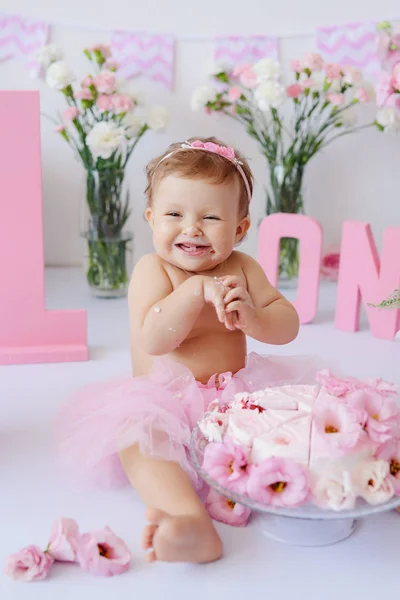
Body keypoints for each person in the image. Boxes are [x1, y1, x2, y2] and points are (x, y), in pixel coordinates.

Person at [58, 137, 318, 564]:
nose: (191, 228)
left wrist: (253, 316)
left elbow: (286, 324)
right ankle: (188, 520)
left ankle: (332, 482)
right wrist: (193, 291)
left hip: (238, 399)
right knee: (137, 439)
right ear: (151, 219)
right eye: (174, 214)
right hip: (167, 403)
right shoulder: (153, 269)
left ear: (239, 228)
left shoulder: (243, 268)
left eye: (211, 217)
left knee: (297, 425)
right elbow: (153, 339)